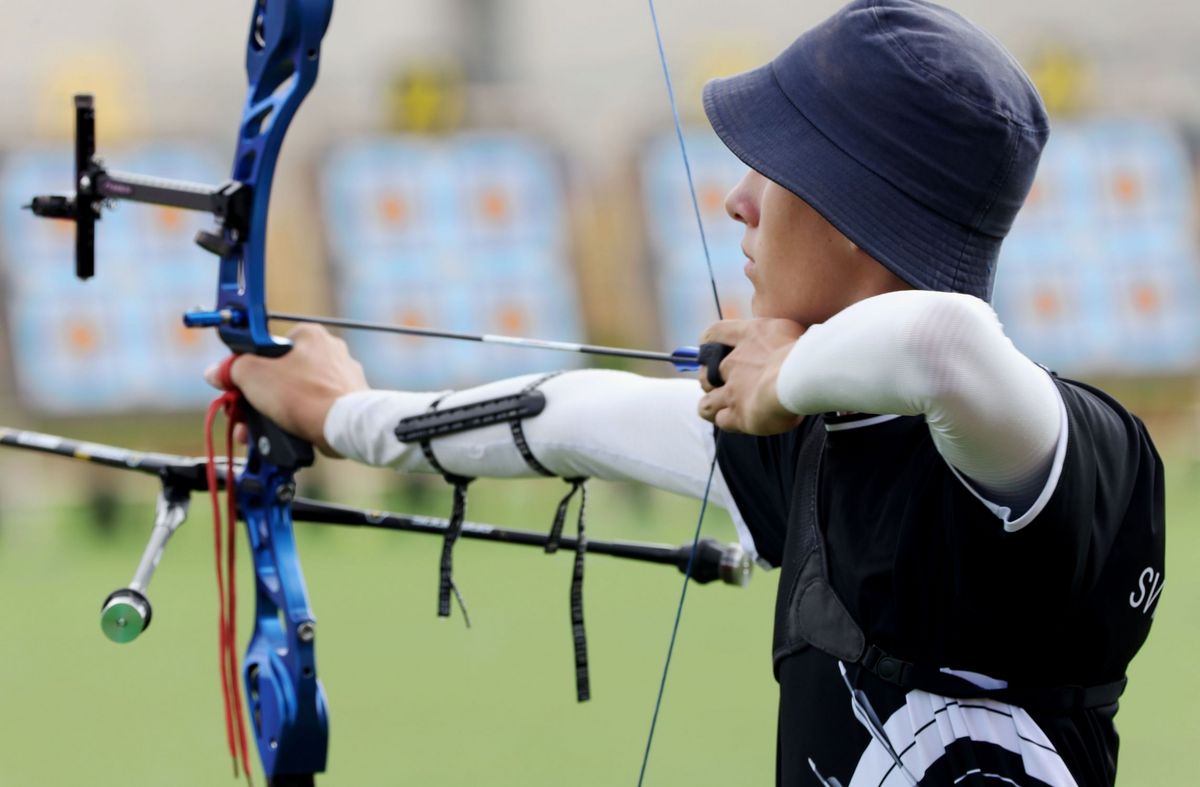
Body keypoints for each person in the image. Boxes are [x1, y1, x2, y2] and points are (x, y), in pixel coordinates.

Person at [210, 1, 1165, 784]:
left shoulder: (1060, 457)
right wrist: (347, 414)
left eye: (778, 168)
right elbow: (574, 417)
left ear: (860, 212)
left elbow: (942, 339)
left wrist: (784, 374)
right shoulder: (819, 434)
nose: (737, 199)